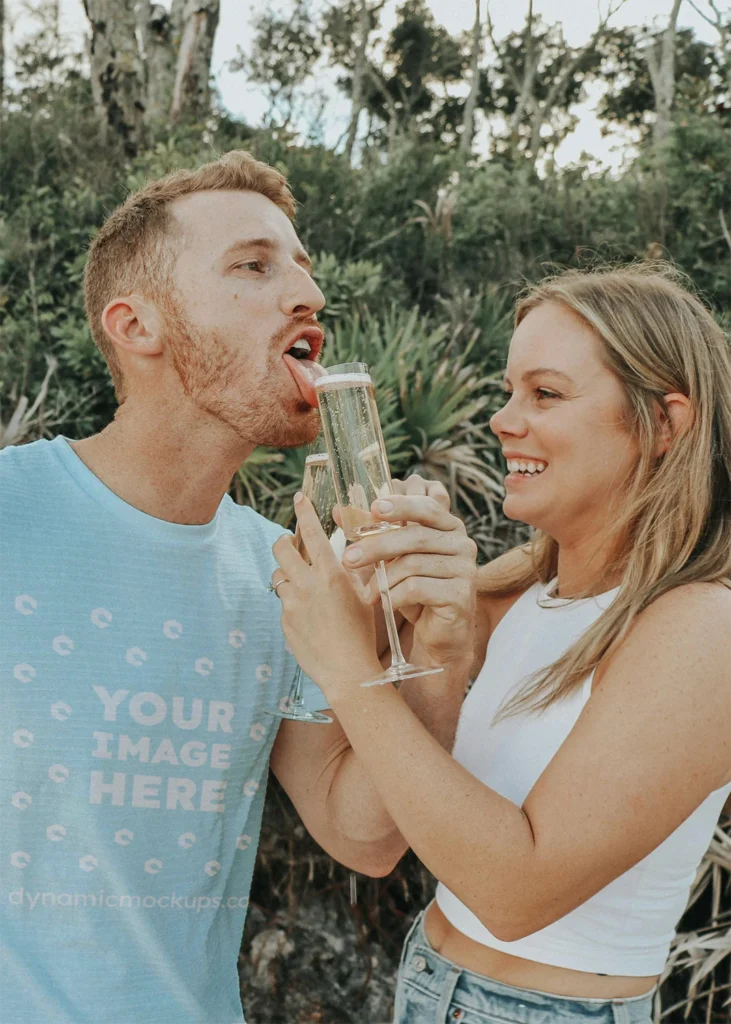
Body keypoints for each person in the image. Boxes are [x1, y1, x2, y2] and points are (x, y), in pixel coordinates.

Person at [0, 151, 476, 1024]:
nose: (307, 295)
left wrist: (441, 650)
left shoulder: (284, 576)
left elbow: (362, 836)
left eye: (302, 266)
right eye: (254, 266)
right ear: (135, 325)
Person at [272, 265, 731, 1024]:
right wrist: (424, 639)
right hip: (426, 978)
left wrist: (349, 668)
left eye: (544, 393)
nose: (502, 420)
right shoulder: (516, 588)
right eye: (509, 390)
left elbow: (516, 892)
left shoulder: (701, 626)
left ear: (664, 424)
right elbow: (362, 831)